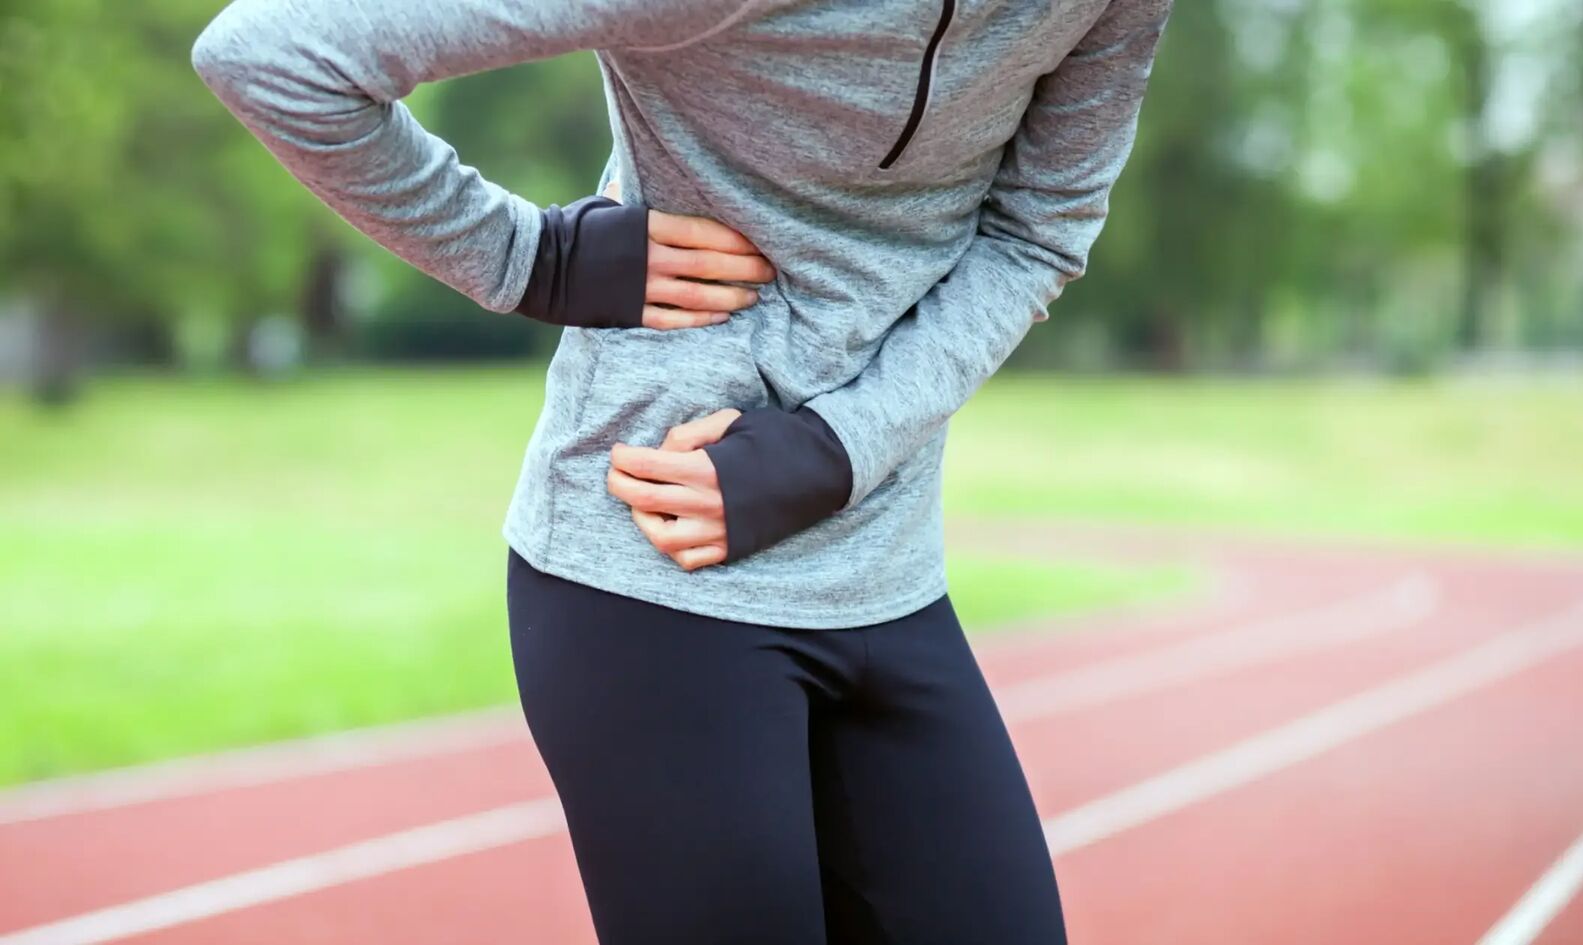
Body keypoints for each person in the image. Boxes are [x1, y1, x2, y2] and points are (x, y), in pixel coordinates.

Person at [191, 1, 1173, 941]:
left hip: (888, 569)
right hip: (654, 571)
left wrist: (836, 450)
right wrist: (530, 258)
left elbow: (1034, 233)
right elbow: (273, 54)